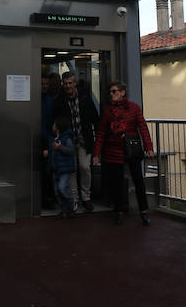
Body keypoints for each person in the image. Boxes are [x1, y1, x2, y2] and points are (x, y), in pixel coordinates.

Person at [92, 80, 154, 226]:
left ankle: (144, 211)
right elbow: (101, 132)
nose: (111, 94)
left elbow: (142, 128)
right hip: (113, 150)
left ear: (122, 93)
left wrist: (148, 147)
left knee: (138, 181)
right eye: (110, 92)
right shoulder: (108, 111)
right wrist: (96, 153)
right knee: (117, 184)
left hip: (131, 149)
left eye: (114, 91)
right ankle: (119, 211)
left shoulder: (134, 108)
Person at [54, 71, 98, 212]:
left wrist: (98, 138)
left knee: (85, 167)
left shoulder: (85, 97)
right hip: (68, 141)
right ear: (63, 84)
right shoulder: (59, 100)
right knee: (71, 170)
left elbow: (95, 117)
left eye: (70, 83)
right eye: (65, 83)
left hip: (84, 138)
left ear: (75, 83)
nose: (68, 86)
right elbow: (55, 120)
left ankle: (86, 197)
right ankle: (74, 199)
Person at [43, 115, 76, 217]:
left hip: (64, 168)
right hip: (55, 168)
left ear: (58, 126)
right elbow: (53, 153)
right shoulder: (52, 139)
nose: (52, 126)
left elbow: (71, 151)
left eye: (54, 124)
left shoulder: (67, 138)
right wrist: (48, 152)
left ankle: (72, 203)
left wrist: (60, 147)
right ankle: (64, 210)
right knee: (57, 192)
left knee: (62, 188)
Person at [40, 75, 57, 209]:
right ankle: (45, 199)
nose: (44, 86)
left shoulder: (50, 100)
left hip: (49, 139)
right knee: (45, 171)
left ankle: (48, 198)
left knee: (48, 171)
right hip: (42, 139)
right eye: (42, 84)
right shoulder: (39, 100)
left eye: (46, 84)